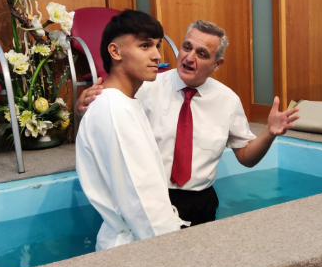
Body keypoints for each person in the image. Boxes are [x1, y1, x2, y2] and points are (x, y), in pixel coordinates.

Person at [77, 19, 299, 227]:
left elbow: (246, 157)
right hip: (150, 199)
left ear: (217, 64)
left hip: (200, 202)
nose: (189, 57)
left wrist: (269, 133)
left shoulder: (227, 100)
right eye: (187, 47)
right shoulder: (145, 86)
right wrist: (83, 107)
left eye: (202, 53)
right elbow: (105, 117)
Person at [75, 10, 188, 251]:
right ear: (115, 52)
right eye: (145, 46)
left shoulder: (123, 102)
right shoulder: (115, 108)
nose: (157, 55)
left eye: (157, 46)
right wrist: (173, 251)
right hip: (137, 246)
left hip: (138, 240)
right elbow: (141, 197)